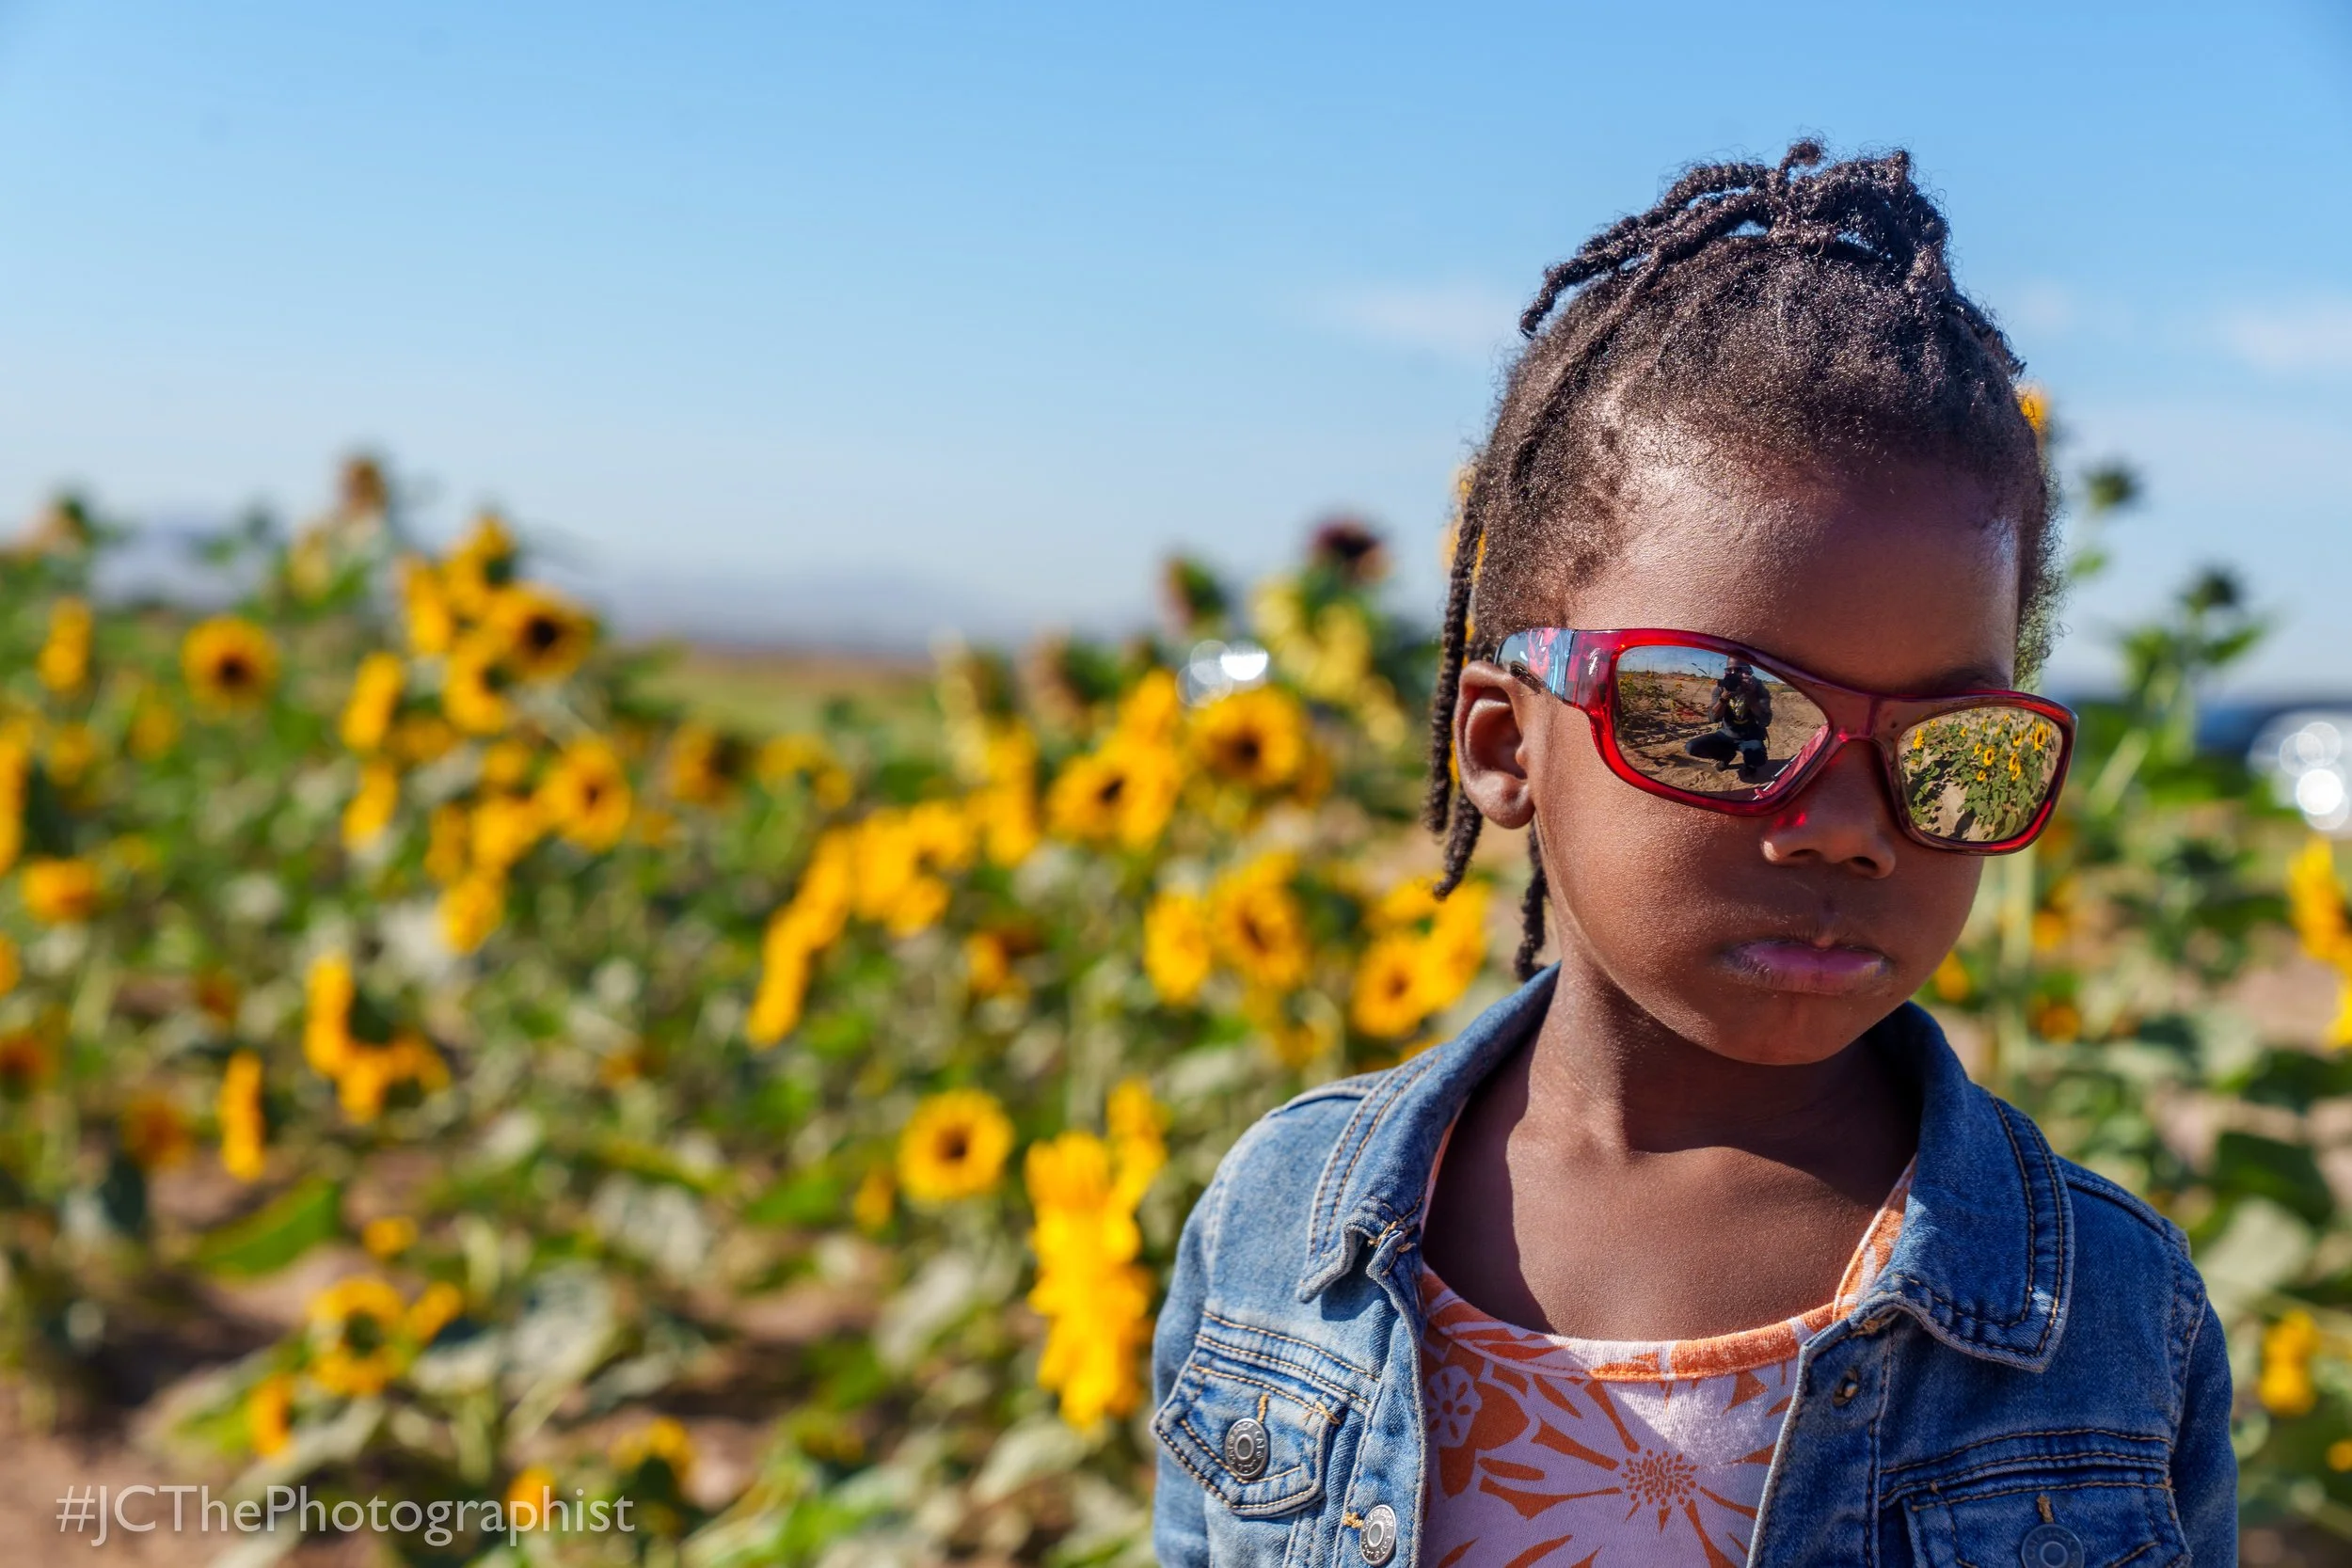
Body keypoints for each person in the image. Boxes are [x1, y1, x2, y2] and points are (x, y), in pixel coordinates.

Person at [1149, 146, 2233, 1568]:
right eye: (1727, 716)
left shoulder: (2112, 1316)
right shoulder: (1281, 1224)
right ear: (1505, 745)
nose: (1847, 823)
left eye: (1955, 746)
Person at [1683, 656, 1775, 779]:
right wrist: (1724, 698)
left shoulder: (1759, 690)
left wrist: (1751, 695)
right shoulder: (1721, 689)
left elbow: (1765, 721)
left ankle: (1750, 765)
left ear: (1749, 672)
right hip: (1726, 734)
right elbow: (1713, 718)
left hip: (1750, 736)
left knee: (1757, 758)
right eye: (1729, 670)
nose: (1733, 674)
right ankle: (1726, 756)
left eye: (1738, 670)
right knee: (1692, 747)